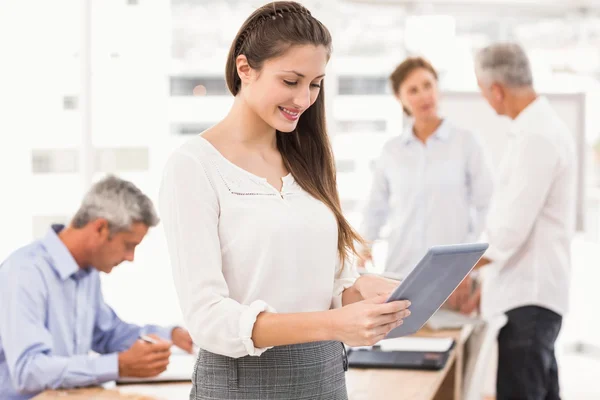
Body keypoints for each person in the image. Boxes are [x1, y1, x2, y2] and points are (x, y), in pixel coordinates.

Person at [159, 2, 411, 399]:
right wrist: (333, 325)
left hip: (326, 376)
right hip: (241, 384)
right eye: (291, 80)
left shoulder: (310, 160)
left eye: (315, 84)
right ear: (245, 69)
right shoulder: (193, 166)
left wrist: (362, 291)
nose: (305, 98)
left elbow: (330, 285)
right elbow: (208, 318)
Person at [0, 175, 193, 400]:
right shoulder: (25, 272)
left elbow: (108, 334)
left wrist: (169, 336)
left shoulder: (87, 274)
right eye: (128, 245)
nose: (130, 257)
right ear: (100, 228)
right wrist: (117, 366)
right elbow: (28, 371)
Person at [460, 43, 576, 400]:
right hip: (529, 298)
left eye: (483, 91)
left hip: (528, 300)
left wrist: (459, 270)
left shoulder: (535, 136)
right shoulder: (537, 129)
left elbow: (508, 231)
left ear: (496, 90)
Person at [358, 56, 493, 279]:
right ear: (399, 98)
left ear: (437, 87)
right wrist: (364, 249)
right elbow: (375, 208)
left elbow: (486, 205)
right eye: (413, 90)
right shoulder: (392, 151)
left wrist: (468, 262)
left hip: (452, 275)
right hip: (400, 272)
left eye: (428, 85)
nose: (423, 96)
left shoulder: (466, 143)